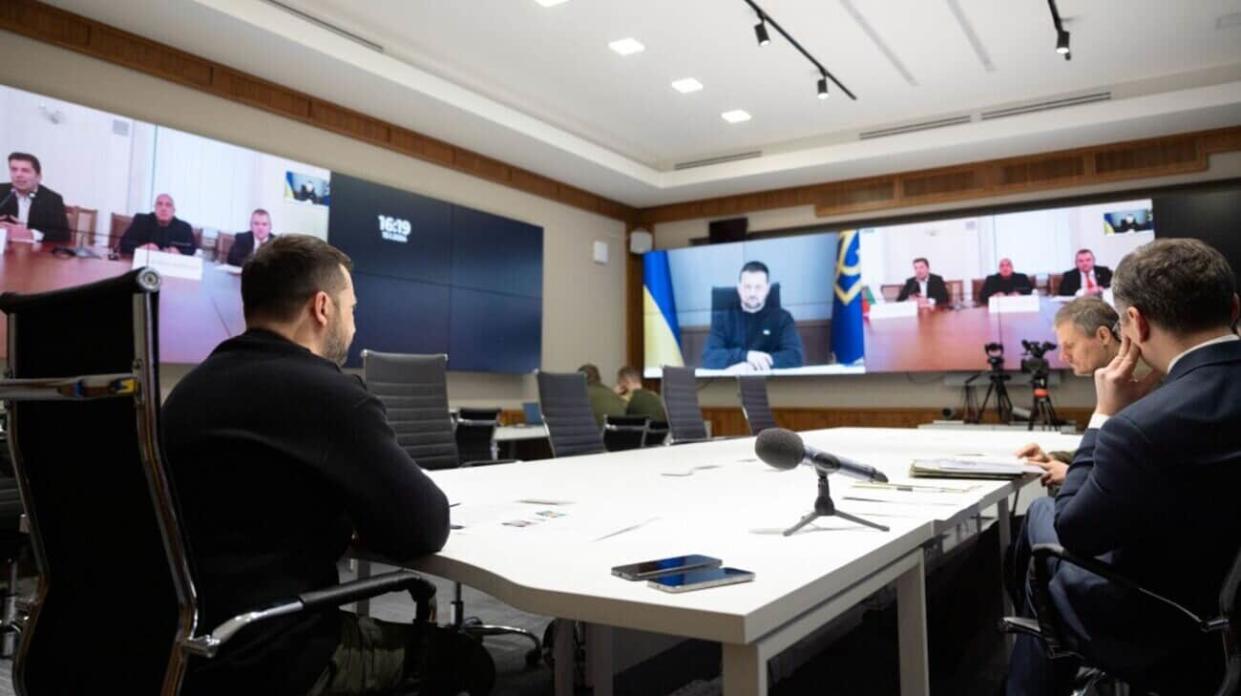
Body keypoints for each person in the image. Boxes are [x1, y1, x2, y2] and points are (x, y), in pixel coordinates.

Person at [162, 235, 493, 696]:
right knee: (469, 662)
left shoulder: (190, 389)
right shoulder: (330, 395)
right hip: (278, 653)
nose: (354, 324)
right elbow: (424, 527)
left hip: (185, 650)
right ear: (323, 307)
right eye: (351, 308)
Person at [1007, 238, 1241, 695]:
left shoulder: (1138, 425)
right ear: (1233, 307)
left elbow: (1075, 531)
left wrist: (1103, 416)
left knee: (1041, 530)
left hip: (1165, 619)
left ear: (1133, 322)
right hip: (1223, 601)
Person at [1014, 297, 1120, 487]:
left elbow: (1135, 470)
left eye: (1069, 346)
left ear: (1103, 336)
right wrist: (1052, 457)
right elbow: (1107, 450)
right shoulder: (1115, 378)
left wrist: (1073, 474)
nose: (1063, 357)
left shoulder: (1138, 384)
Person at [701, 261, 805, 372]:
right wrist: (746, 356)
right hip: (732, 384)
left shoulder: (783, 318)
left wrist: (754, 366)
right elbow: (709, 357)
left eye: (758, 287)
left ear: (767, 289)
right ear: (739, 288)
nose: (752, 293)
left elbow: (795, 356)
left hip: (773, 384)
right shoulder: (723, 318)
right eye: (747, 287)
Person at [0, 152, 70, 244]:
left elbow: (63, 235)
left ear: (38, 176)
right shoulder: (2, 191)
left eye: (25, 170)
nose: (18, 175)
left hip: (35, 254)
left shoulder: (52, 199)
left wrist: (31, 234)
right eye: (14, 169)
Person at [118, 193, 198, 256]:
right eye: (159, 204)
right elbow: (124, 243)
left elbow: (191, 250)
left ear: (173, 211)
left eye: (168, 205)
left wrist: (178, 253)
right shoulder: (141, 221)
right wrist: (140, 248)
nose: (163, 208)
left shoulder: (184, 227)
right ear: (154, 208)